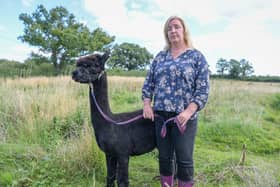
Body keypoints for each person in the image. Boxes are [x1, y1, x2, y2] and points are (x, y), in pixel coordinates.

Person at [142, 16, 210, 187]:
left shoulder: (196, 57)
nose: (172, 31)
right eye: (169, 28)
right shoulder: (160, 57)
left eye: (176, 27)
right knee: (164, 158)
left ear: (184, 30)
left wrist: (188, 112)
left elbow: (202, 90)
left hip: (184, 119)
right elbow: (149, 82)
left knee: (184, 159)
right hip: (161, 117)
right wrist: (146, 104)